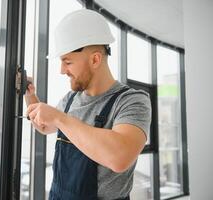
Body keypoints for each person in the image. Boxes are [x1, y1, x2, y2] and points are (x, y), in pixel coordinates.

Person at [25, 9, 151, 200]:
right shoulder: (70, 100)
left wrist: (60, 118)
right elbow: (44, 126)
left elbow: (119, 157)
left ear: (95, 59)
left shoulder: (131, 100)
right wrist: (30, 95)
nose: (61, 70)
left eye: (67, 62)